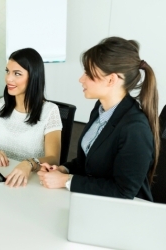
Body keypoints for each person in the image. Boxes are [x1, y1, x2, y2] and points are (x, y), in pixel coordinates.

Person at [37, 37, 159, 201]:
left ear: (111, 79)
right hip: (93, 200)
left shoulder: (135, 128)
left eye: (88, 73)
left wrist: (67, 181)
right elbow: (88, 162)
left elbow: (124, 192)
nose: (81, 79)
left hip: (125, 212)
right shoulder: (100, 109)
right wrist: (63, 170)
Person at [0, 48, 62, 187]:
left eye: (17, 74)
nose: (8, 78)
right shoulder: (0, 105)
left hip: (29, 181)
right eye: (7, 71)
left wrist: (29, 163)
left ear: (33, 77)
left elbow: (54, 159)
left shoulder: (50, 111)